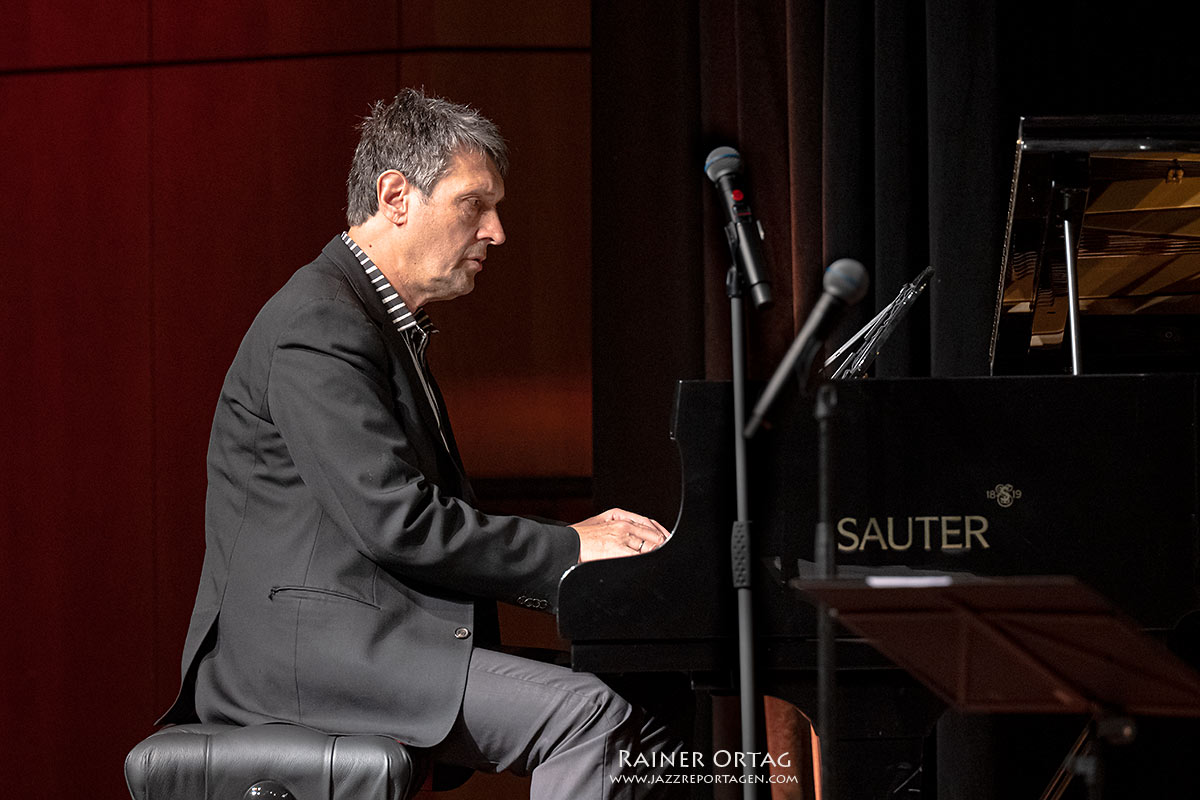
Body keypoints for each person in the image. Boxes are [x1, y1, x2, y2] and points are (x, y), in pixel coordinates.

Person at [159, 88, 683, 797]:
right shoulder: (320, 322)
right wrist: (571, 548)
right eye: (476, 204)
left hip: (364, 643)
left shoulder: (374, 321)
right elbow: (396, 521)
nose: (496, 231)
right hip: (304, 659)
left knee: (651, 706)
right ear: (396, 195)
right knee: (591, 714)